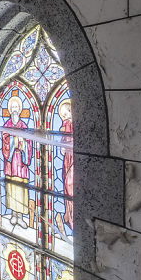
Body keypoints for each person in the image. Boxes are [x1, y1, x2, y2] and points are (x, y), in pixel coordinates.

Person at [2, 95, 34, 228]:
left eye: (16, 107)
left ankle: (20, 216)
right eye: (12, 107)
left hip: (21, 164)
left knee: (21, 189)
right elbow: (4, 139)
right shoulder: (7, 125)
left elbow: (29, 142)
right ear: (9, 110)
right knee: (11, 188)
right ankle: (14, 215)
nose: (14, 110)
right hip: (10, 163)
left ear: (20, 110)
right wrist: (12, 141)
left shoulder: (23, 125)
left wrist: (22, 143)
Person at [54, 99, 74, 239]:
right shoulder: (65, 125)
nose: (65, 116)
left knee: (71, 185)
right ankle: (69, 216)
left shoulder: (73, 125)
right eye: (64, 114)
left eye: (67, 113)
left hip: (74, 158)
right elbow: (64, 141)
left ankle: (73, 218)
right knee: (67, 186)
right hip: (67, 159)